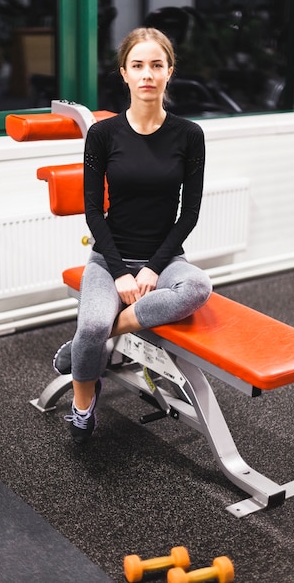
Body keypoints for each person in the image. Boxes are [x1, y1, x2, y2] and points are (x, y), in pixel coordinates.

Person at [53, 27, 212, 443]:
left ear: (169, 72)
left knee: (198, 286)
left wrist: (154, 269)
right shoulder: (103, 135)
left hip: (165, 258)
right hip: (111, 260)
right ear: (124, 73)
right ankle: (83, 406)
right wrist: (122, 271)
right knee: (89, 327)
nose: (147, 74)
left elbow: (189, 213)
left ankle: (89, 345)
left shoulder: (189, 135)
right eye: (137, 66)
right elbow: (93, 211)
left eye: (156, 65)